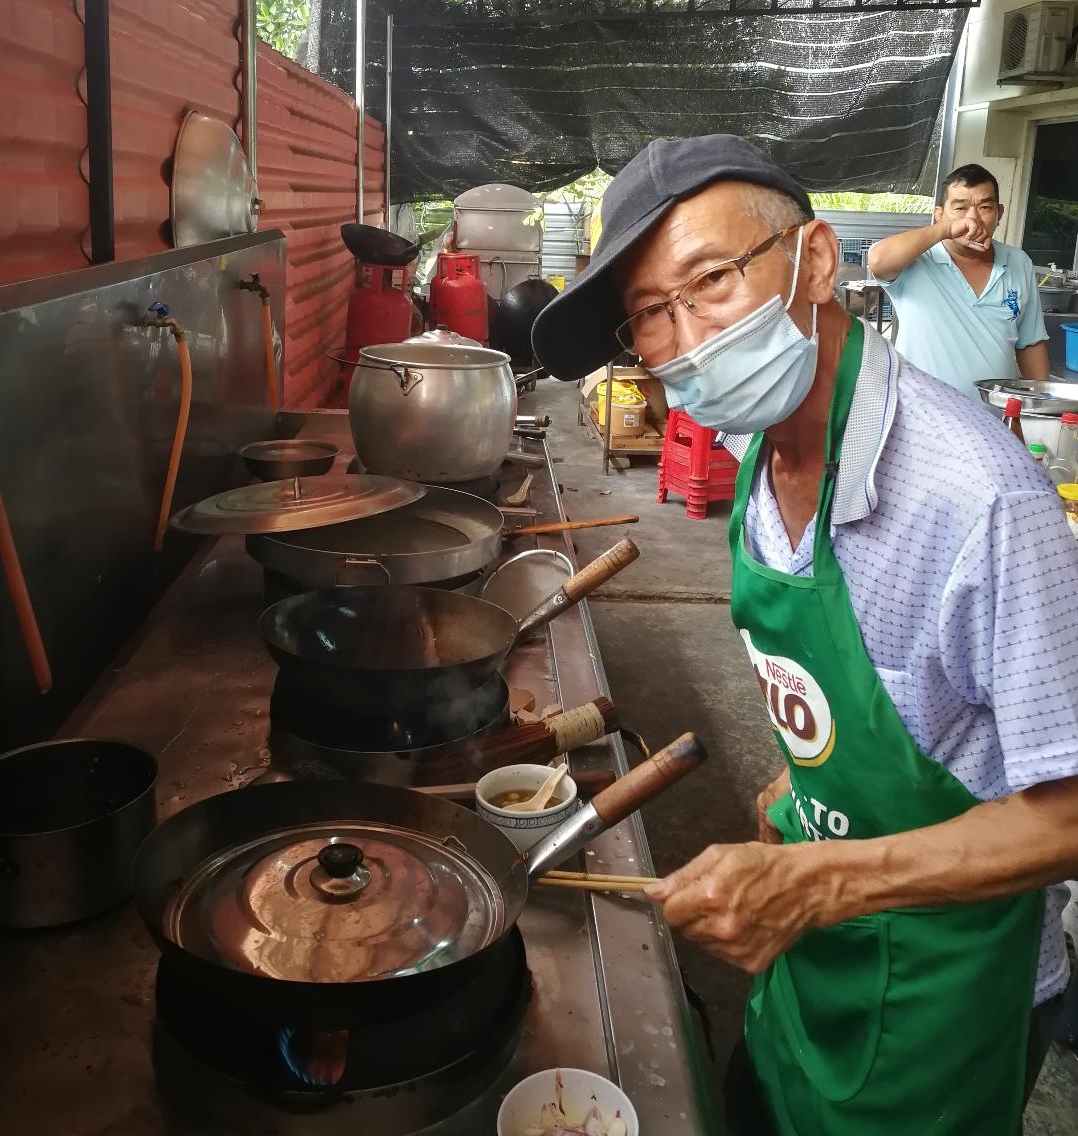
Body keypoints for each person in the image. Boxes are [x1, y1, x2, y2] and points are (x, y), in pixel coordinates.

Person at [531, 134, 1078, 1136]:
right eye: (650, 316)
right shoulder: (763, 454)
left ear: (815, 260)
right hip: (808, 962)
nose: (687, 340)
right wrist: (804, 784)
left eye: (709, 282)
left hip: (945, 996)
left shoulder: (977, 500)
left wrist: (820, 876)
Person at [867, 163, 1050, 398]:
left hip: (993, 421)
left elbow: (1030, 343)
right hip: (925, 418)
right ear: (940, 215)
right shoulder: (918, 259)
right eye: (960, 208)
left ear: (999, 213)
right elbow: (879, 260)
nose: (972, 219)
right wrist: (945, 230)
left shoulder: (1018, 262)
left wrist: (1041, 408)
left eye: (985, 207)